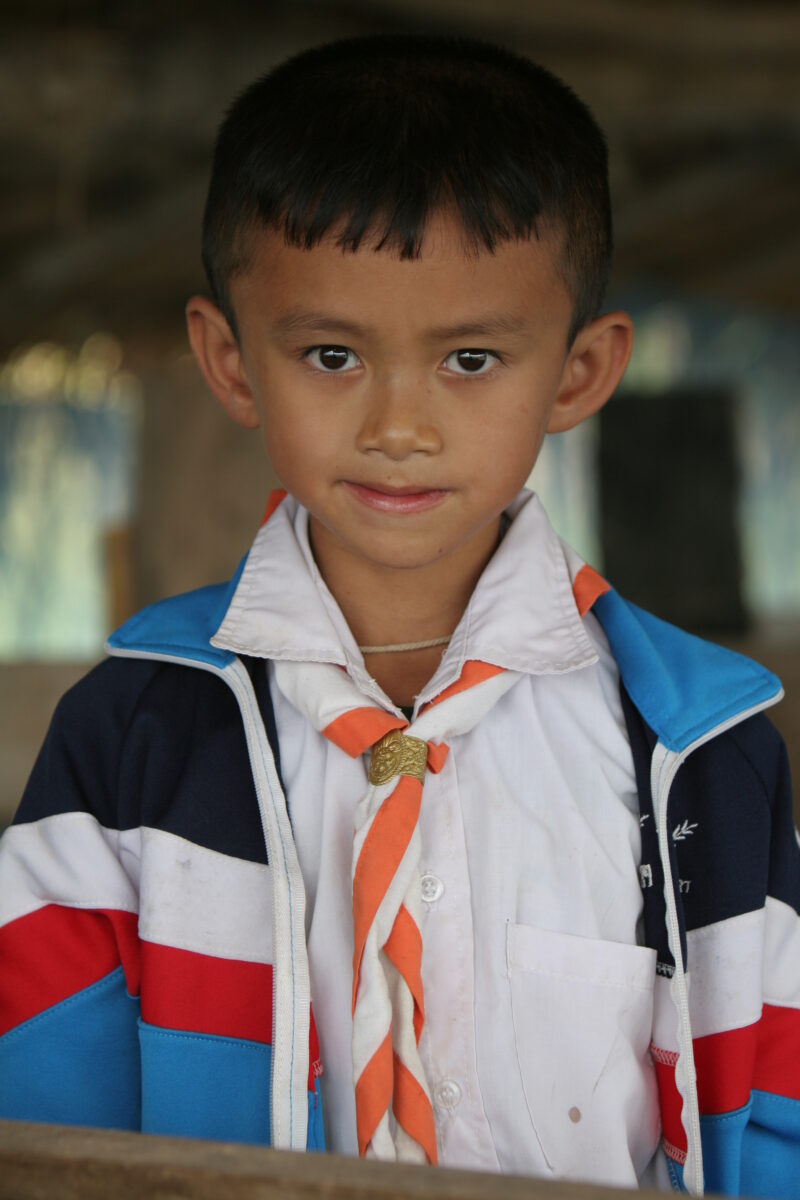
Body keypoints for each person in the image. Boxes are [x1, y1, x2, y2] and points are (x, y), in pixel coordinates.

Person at [0, 33, 797, 1199]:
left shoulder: (698, 755)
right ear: (229, 362)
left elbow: (769, 1118)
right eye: (331, 353)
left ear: (576, 374)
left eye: (470, 358)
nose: (398, 424)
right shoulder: (132, 735)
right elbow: (44, 1121)